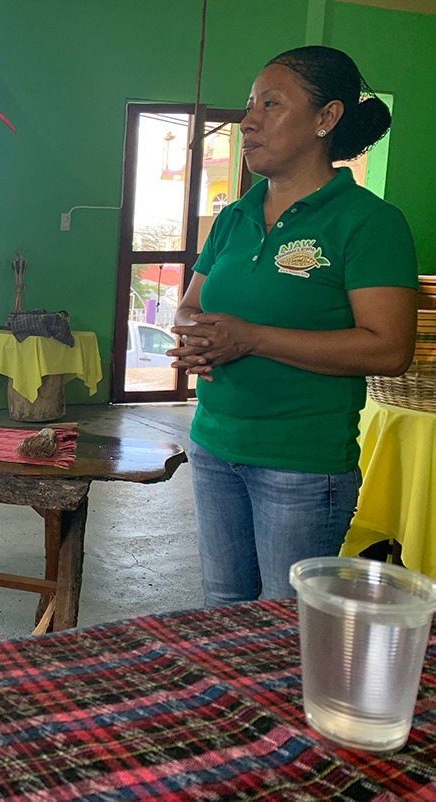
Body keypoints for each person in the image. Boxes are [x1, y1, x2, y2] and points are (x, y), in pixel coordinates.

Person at [169, 45, 419, 606]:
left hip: (300, 464)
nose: (248, 120)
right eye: (250, 103)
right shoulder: (234, 216)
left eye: (271, 104)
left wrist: (250, 337)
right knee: (223, 608)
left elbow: (388, 349)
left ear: (326, 119)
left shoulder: (369, 223)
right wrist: (199, 333)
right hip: (213, 445)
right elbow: (188, 307)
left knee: (285, 629)